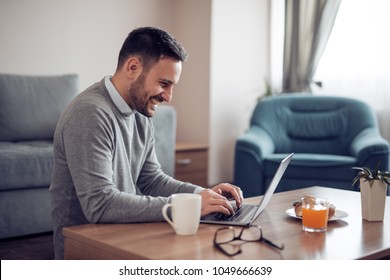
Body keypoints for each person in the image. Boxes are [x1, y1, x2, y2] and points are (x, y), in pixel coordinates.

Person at [50, 27, 243, 259]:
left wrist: (202, 194)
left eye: (172, 86)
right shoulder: (89, 113)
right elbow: (99, 205)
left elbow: (151, 179)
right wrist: (189, 204)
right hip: (87, 247)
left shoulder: (140, 111)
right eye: (164, 83)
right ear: (133, 67)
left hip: (125, 234)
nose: (168, 96)